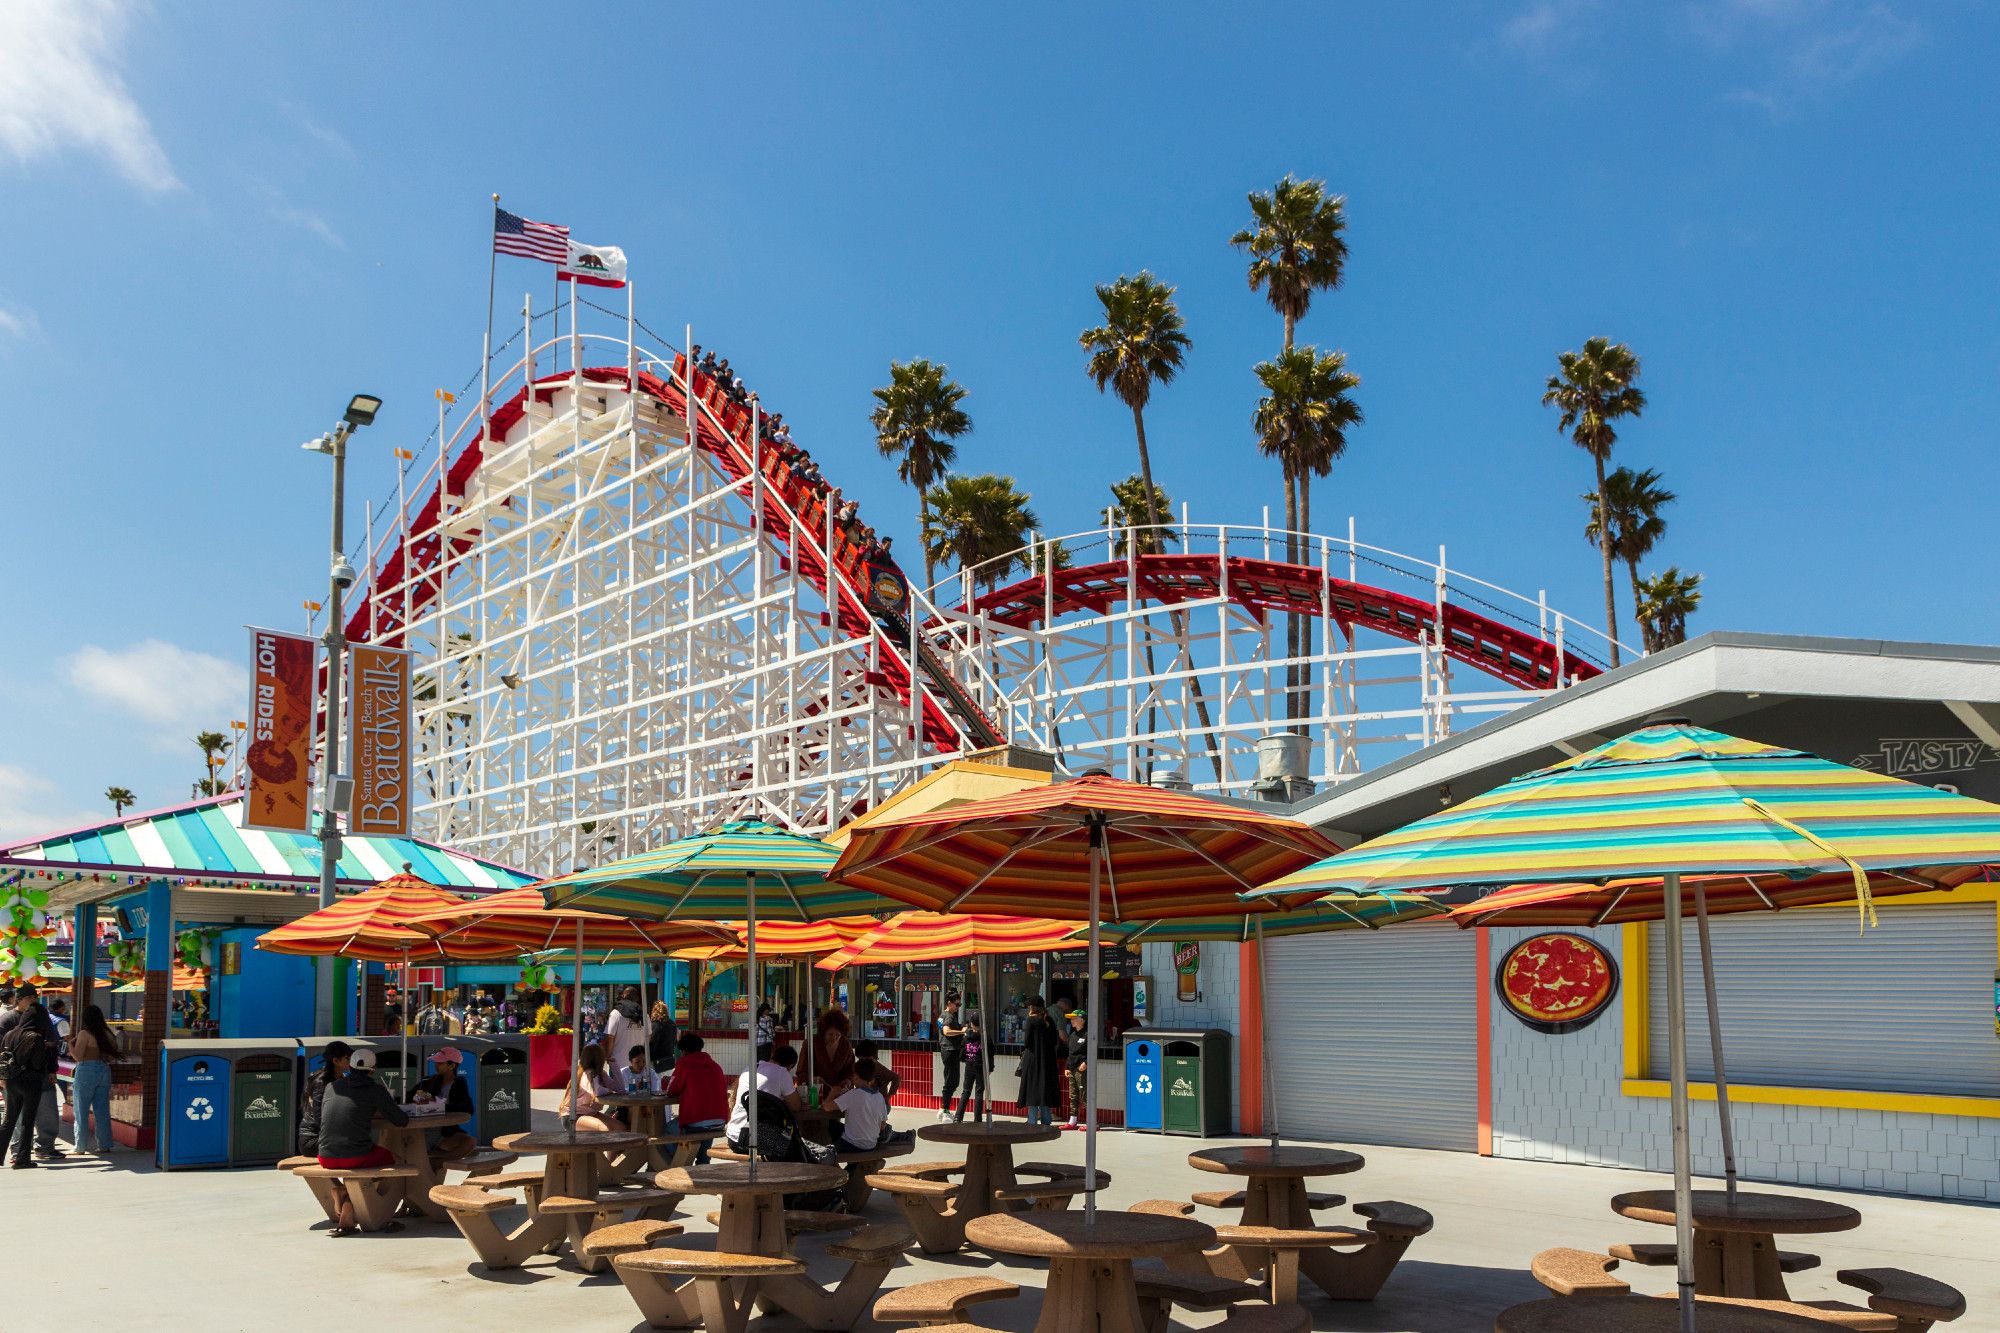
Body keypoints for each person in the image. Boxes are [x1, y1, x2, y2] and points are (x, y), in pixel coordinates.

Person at [316, 1048, 408, 1236]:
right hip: (355, 1156)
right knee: (399, 1162)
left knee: (368, 1158)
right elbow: (401, 1121)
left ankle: (346, 1206)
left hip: (325, 1156)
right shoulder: (375, 1090)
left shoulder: (332, 1087)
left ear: (350, 1066)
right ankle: (381, 1215)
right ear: (372, 1069)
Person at [0, 983, 60, 1167]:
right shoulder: (35, 1035)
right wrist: (49, 1066)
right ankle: (22, 1159)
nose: (33, 1000)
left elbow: (3, 1054)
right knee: (27, 1120)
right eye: (30, 997)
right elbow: (38, 1060)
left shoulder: (10, 1033)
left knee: (9, 1119)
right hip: (31, 1080)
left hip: (12, 1079)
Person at [725, 1043, 803, 1153]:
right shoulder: (782, 1072)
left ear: (773, 1056)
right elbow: (796, 1107)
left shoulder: (750, 1068)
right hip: (759, 1141)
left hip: (734, 1138)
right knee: (796, 1149)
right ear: (790, 1066)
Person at [663, 1031, 727, 1163]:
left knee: (668, 1130)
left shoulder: (684, 1064)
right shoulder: (715, 1066)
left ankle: (679, 1161)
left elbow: (671, 1091)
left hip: (696, 1120)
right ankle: (703, 1163)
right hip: (719, 1121)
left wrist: (666, 1081)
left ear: (684, 1051)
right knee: (706, 1129)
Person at [67, 1003, 120, 1154]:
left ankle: (80, 1147)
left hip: (86, 1071)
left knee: (81, 1111)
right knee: (102, 1110)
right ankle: (104, 1145)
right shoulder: (108, 1033)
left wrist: (70, 1044)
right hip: (104, 1070)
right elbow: (110, 1057)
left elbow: (78, 1057)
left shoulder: (85, 1033)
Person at [410, 1047, 476, 1162]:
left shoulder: (459, 1083)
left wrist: (437, 1105)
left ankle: (435, 1160)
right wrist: (418, 1097)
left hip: (445, 1132)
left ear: (452, 1066)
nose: (436, 1065)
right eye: (436, 1062)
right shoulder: (429, 1081)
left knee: (470, 1142)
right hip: (423, 1130)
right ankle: (433, 1160)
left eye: (440, 1062)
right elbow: (410, 1097)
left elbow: (468, 1108)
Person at [296, 1040, 352, 1159]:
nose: (351, 1061)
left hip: (327, 1137)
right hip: (313, 1140)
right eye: (347, 1058)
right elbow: (319, 1117)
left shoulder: (341, 1078)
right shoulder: (322, 1082)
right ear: (335, 1061)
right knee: (357, 1147)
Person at [558, 1043, 623, 1131]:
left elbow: (620, 1088)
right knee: (604, 1128)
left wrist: (613, 1064)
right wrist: (609, 1090)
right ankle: (600, 1145)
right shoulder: (587, 1074)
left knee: (619, 1127)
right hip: (573, 1116)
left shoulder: (601, 1074)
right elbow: (597, 1092)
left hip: (590, 1113)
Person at [1017, 998, 1061, 1128]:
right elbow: (1054, 1041)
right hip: (1048, 1060)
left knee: (1032, 1090)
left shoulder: (1031, 1020)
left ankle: (1032, 1121)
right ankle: (1046, 1121)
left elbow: (1027, 1042)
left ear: (1033, 1008)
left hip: (1033, 1059)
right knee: (1044, 1090)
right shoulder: (1049, 1020)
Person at [833, 1057, 891, 1153]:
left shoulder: (853, 1094)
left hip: (850, 1145)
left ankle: (831, 1165)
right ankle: (853, 1167)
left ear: (855, 1077)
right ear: (872, 1080)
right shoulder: (880, 1097)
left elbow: (827, 1107)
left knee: (830, 1128)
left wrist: (833, 1092)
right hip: (871, 1145)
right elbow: (882, 1126)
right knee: (837, 1127)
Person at [935, 991, 966, 1123]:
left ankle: (943, 1109)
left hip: (946, 1050)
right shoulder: (949, 1016)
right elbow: (946, 1031)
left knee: (950, 1080)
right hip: (950, 1050)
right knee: (951, 1081)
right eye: (957, 1004)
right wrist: (961, 1032)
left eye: (960, 1004)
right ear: (949, 1003)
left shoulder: (943, 1015)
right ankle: (945, 1111)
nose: (958, 1007)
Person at [812, 1007, 855, 1097]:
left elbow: (851, 1070)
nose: (834, 1038)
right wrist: (813, 1079)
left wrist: (848, 1080)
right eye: (830, 1034)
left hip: (839, 1095)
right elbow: (802, 1071)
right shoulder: (812, 1043)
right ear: (823, 1032)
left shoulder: (845, 1045)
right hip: (815, 1094)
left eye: (837, 1035)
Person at [953, 1015, 988, 1123]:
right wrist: (990, 1067)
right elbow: (990, 1053)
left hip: (969, 1066)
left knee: (966, 1091)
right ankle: (977, 1119)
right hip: (981, 1066)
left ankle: (958, 1117)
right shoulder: (985, 1037)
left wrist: (965, 1058)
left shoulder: (966, 1037)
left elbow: (962, 1052)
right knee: (979, 1092)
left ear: (972, 1024)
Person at [1062, 1009, 1091, 1130]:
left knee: (1085, 1095)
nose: (1072, 1020)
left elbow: (1093, 1051)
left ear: (1082, 1020)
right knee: (1073, 1095)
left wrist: (1086, 1063)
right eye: (1071, 1018)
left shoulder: (1088, 1034)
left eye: (1074, 1018)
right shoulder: (1073, 1035)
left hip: (1082, 1069)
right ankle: (1072, 1121)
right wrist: (1067, 1067)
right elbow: (1070, 1053)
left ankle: (1092, 1122)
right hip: (1073, 1069)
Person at [602, 986, 645, 1066]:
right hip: (638, 1064)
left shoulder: (615, 1014)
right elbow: (648, 1037)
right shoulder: (644, 1015)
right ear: (637, 998)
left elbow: (610, 1037)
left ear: (623, 997)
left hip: (618, 1063)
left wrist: (607, 1056)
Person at [646, 1000, 678, 1072]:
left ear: (654, 1011)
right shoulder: (672, 1024)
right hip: (669, 1061)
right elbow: (675, 1041)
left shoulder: (655, 1025)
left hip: (657, 1062)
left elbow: (653, 1044)